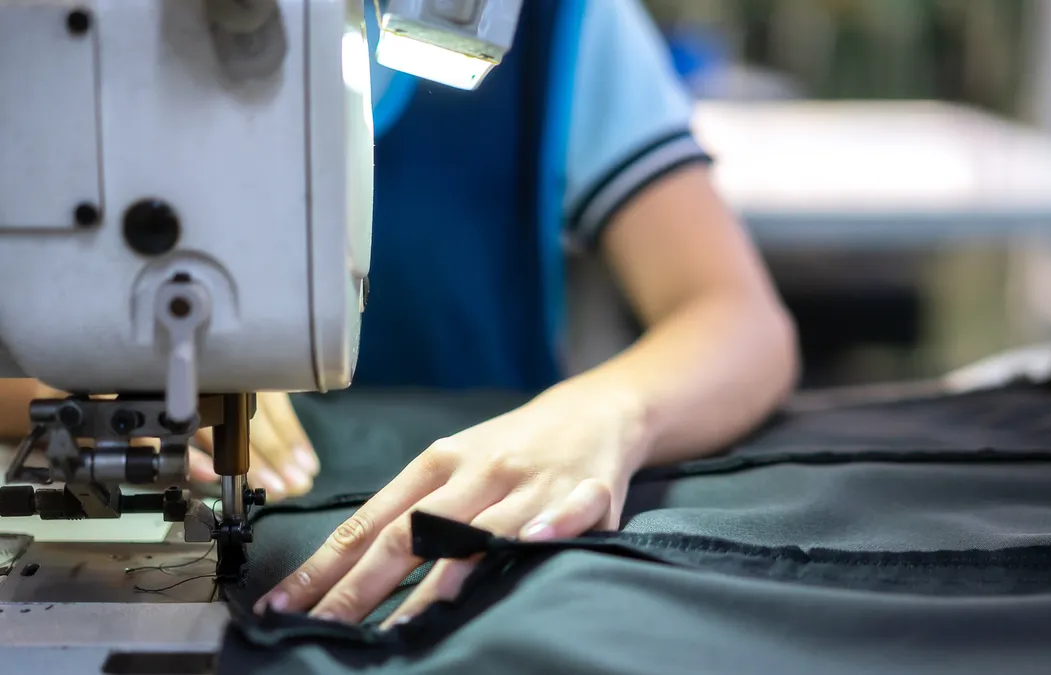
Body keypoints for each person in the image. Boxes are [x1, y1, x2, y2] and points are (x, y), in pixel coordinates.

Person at [0, 0, 797, 625]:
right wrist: (83, 364)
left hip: (488, 531)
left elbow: (739, 317)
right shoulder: (58, 36)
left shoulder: (551, 20)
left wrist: (608, 411)